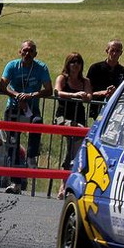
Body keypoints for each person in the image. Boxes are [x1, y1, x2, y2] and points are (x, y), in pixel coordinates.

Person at [0, 39, 52, 194]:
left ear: (35, 53)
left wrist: (31, 95)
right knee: (12, 144)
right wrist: (17, 96)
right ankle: (15, 183)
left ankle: (31, 156)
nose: (28, 53)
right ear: (20, 52)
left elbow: (48, 90)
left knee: (37, 123)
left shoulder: (41, 67)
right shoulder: (12, 66)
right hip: (13, 108)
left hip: (31, 108)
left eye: (31, 51)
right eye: (25, 50)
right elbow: (2, 86)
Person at [54, 52, 92, 199]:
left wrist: (84, 96)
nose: (75, 65)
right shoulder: (62, 78)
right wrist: (74, 96)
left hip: (79, 117)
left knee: (73, 153)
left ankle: (67, 185)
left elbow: (89, 97)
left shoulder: (85, 81)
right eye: (72, 62)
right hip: (64, 117)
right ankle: (63, 185)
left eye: (78, 62)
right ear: (67, 64)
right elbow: (57, 92)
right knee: (72, 148)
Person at [87, 39, 124, 119]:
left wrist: (115, 93)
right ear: (107, 51)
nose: (114, 53)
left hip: (116, 112)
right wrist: (104, 93)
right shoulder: (95, 68)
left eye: (117, 51)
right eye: (112, 50)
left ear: (121, 53)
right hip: (98, 110)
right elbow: (88, 91)